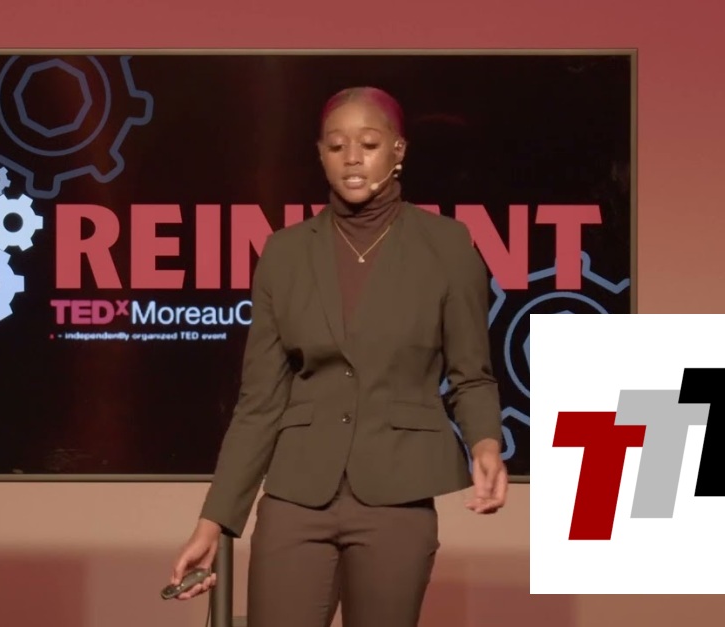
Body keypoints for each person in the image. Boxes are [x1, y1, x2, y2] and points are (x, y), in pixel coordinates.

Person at [170, 86, 508, 627]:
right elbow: (259, 403)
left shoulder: (447, 246)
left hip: (397, 495)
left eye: (368, 144)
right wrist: (215, 521)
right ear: (320, 155)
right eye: (336, 146)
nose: (352, 158)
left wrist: (485, 443)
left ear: (398, 150)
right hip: (297, 497)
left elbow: (471, 375)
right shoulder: (285, 253)